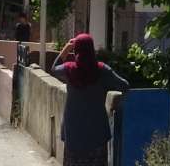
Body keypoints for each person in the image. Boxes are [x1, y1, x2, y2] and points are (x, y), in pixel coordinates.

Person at [50, 33, 129, 166]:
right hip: (97, 133)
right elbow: (124, 86)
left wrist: (66, 49)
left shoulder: (69, 70)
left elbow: (53, 69)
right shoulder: (102, 70)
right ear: (92, 49)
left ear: (76, 50)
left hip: (73, 133)